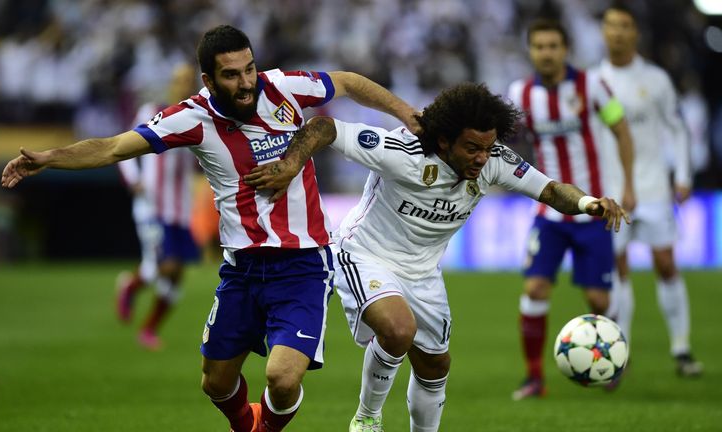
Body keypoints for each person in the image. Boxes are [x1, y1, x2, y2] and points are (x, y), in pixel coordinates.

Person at [1, 24, 419, 432]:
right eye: (232, 75)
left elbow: (344, 82)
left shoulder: (283, 88)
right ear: (209, 79)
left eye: (249, 69)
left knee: (282, 377)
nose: (246, 83)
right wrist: (49, 158)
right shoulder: (191, 118)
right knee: (216, 381)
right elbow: (113, 147)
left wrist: (406, 112)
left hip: (303, 264)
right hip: (242, 270)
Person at [244, 82, 630, 432]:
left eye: (488, 147)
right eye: (472, 148)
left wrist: (587, 202)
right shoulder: (402, 152)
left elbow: (549, 190)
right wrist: (291, 164)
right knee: (397, 330)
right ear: (444, 141)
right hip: (365, 254)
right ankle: (366, 418)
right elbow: (324, 128)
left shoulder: (495, 160)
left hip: (424, 272)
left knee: (435, 366)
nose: (482, 158)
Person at [506, 18, 636, 400]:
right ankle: (534, 378)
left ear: (565, 50)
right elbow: (504, 139)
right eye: (539, 46)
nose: (546, 53)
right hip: (548, 213)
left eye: (553, 46)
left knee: (598, 300)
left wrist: (627, 183)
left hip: (592, 210)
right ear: (531, 51)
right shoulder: (520, 93)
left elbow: (620, 128)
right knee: (534, 288)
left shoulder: (590, 85)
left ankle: (610, 362)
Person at [598, 1, 702, 377]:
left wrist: (684, 175)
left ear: (635, 32)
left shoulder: (655, 79)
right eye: (611, 25)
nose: (617, 32)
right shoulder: (595, 82)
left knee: (666, 263)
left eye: (624, 25)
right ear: (603, 32)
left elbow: (677, 127)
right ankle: (620, 354)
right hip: (612, 190)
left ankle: (682, 348)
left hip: (654, 186)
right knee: (618, 269)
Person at [115, 63, 200, 351]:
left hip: (180, 210)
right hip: (151, 206)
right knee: (164, 265)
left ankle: (149, 328)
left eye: (189, 80)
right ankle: (131, 285)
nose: (184, 85)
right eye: (180, 79)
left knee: (176, 274)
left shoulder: (199, 115)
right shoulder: (153, 112)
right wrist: (135, 180)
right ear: (171, 84)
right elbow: (122, 148)